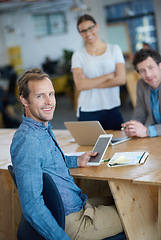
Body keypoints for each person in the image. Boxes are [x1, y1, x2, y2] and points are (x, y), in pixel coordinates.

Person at [10, 68, 123, 240]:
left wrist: (76, 160)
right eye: (40, 96)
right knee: (137, 211)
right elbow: (32, 206)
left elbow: (47, 163)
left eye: (51, 94)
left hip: (76, 205)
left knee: (123, 199)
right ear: (24, 100)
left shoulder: (40, 129)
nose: (49, 102)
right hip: (72, 222)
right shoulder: (27, 142)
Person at [71, 14, 126, 130]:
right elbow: (80, 85)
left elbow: (121, 79)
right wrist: (109, 76)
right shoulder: (78, 55)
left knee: (119, 146)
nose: (88, 33)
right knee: (90, 147)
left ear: (97, 27)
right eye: (83, 31)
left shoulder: (114, 49)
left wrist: (89, 84)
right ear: (80, 33)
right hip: (88, 109)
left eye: (90, 28)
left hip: (112, 107)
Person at [121, 48, 161, 138]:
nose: (148, 75)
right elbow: (139, 114)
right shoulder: (141, 84)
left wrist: (147, 131)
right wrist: (132, 127)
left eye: (151, 67)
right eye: (142, 71)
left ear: (160, 66)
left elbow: (147, 131)